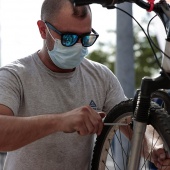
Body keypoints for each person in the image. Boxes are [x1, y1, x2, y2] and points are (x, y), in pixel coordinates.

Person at [0, 0, 127, 169]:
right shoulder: (15, 75)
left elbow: (132, 122)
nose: (78, 45)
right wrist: (60, 121)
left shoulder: (101, 76)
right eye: (68, 38)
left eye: (86, 38)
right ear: (43, 30)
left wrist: (154, 147)